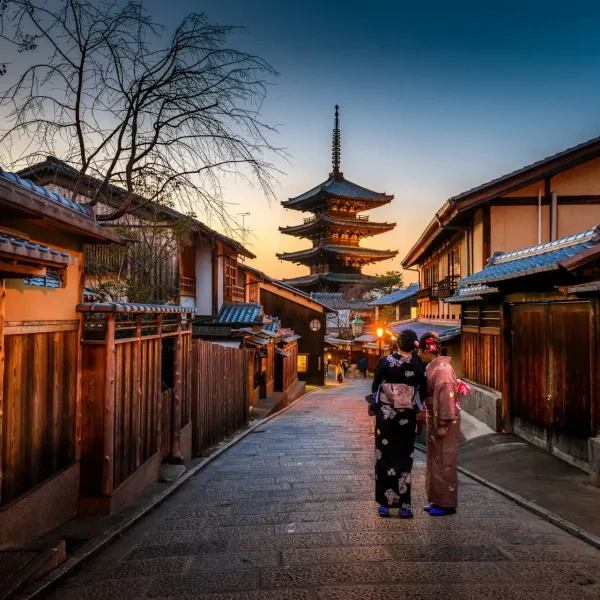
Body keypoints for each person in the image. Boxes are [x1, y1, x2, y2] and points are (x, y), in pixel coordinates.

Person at [371, 330, 426, 518]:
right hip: (406, 418)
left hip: (386, 417)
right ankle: (404, 506)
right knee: (404, 458)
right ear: (414, 346)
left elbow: (375, 386)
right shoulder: (418, 365)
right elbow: (423, 390)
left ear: (398, 344)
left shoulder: (385, 362)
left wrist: (382, 402)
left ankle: (385, 505)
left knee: (384, 457)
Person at [418, 331, 460, 517]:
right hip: (434, 418)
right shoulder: (433, 367)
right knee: (435, 459)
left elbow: (446, 398)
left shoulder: (441, 370)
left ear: (428, 349)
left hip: (444, 421)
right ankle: (436, 498)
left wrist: (443, 423)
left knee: (445, 461)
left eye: (420, 350)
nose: (418, 353)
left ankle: (447, 503)